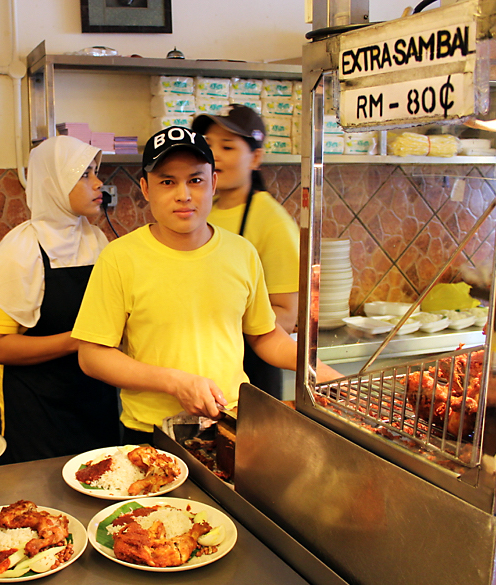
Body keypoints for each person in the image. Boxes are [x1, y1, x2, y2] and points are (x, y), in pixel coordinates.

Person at [72, 127, 340, 442]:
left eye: (195, 180)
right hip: (152, 434)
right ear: (145, 188)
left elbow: (265, 335)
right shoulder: (119, 258)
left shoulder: (241, 252)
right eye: (167, 182)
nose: (183, 194)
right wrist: (175, 382)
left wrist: (314, 368)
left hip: (231, 424)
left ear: (213, 183)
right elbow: (92, 355)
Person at [0, 135, 120, 462]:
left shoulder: (96, 240)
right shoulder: (18, 252)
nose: (98, 183)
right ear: (54, 183)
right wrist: (77, 341)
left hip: (96, 400)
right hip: (37, 411)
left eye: (96, 172)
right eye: (84, 174)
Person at [192, 105, 300, 399]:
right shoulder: (201, 213)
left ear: (255, 158)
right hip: (202, 370)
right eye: (209, 145)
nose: (214, 155)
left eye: (227, 146)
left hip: (251, 372)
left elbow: (285, 314)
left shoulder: (272, 221)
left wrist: (219, 331)